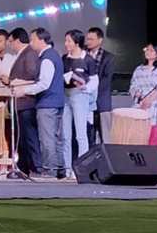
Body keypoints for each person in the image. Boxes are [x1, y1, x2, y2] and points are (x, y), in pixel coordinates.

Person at [12, 28, 64, 179]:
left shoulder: (47, 58)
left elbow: (44, 84)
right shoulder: (53, 55)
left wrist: (24, 90)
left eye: (33, 39)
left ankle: (49, 170)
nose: (31, 43)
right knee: (55, 138)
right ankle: (59, 169)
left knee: (47, 139)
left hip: (47, 103)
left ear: (42, 40)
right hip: (56, 102)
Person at [61, 29, 99, 176]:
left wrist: (85, 87)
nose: (66, 44)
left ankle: (81, 169)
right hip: (66, 95)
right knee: (66, 135)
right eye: (66, 41)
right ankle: (67, 168)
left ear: (77, 43)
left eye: (69, 41)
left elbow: (94, 80)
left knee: (81, 134)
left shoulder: (88, 59)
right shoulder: (65, 58)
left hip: (80, 95)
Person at [6, 28, 42, 176]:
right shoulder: (22, 54)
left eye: (10, 42)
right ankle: (23, 168)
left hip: (27, 103)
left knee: (29, 137)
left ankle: (36, 167)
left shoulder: (29, 53)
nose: (10, 45)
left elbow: (34, 76)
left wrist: (18, 82)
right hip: (19, 103)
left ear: (17, 40)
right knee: (21, 140)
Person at [85, 27, 116, 144]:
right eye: (87, 39)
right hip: (85, 101)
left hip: (102, 101)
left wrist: (91, 89)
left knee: (105, 135)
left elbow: (106, 79)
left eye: (91, 39)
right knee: (88, 135)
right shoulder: (83, 54)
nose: (88, 42)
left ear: (100, 40)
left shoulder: (108, 57)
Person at [130, 43, 157, 125]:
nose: (147, 52)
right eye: (147, 49)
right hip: (140, 103)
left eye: (151, 50)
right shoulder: (139, 69)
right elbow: (133, 86)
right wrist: (138, 95)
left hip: (156, 103)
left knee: (153, 124)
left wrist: (148, 101)